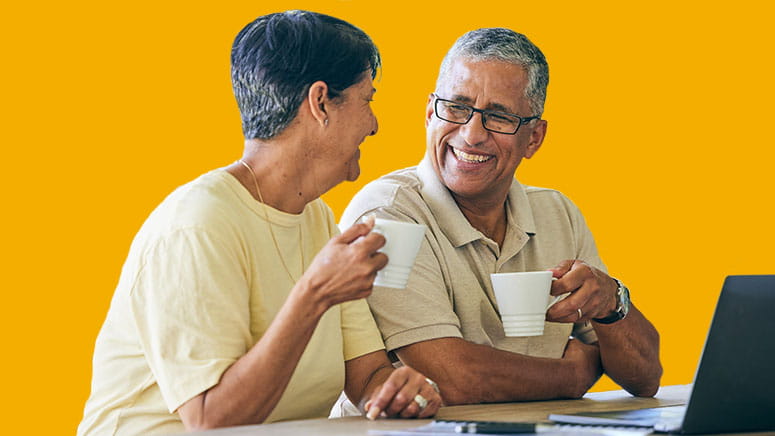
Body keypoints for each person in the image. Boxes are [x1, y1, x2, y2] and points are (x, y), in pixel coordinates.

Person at [77, 11, 441, 435]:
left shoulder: (316, 219)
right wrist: (314, 294)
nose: (374, 125)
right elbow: (212, 419)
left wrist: (401, 389)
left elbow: (366, 378)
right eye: (368, 100)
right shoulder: (198, 226)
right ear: (320, 102)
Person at [340, 28, 662, 406]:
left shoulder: (558, 213)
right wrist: (574, 374)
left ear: (534, 138)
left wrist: (612, 304)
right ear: (430, 113)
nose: (472, 134)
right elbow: (452, 379)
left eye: (499, 116)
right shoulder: (388, 214)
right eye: (456, 108)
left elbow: (645, 378)